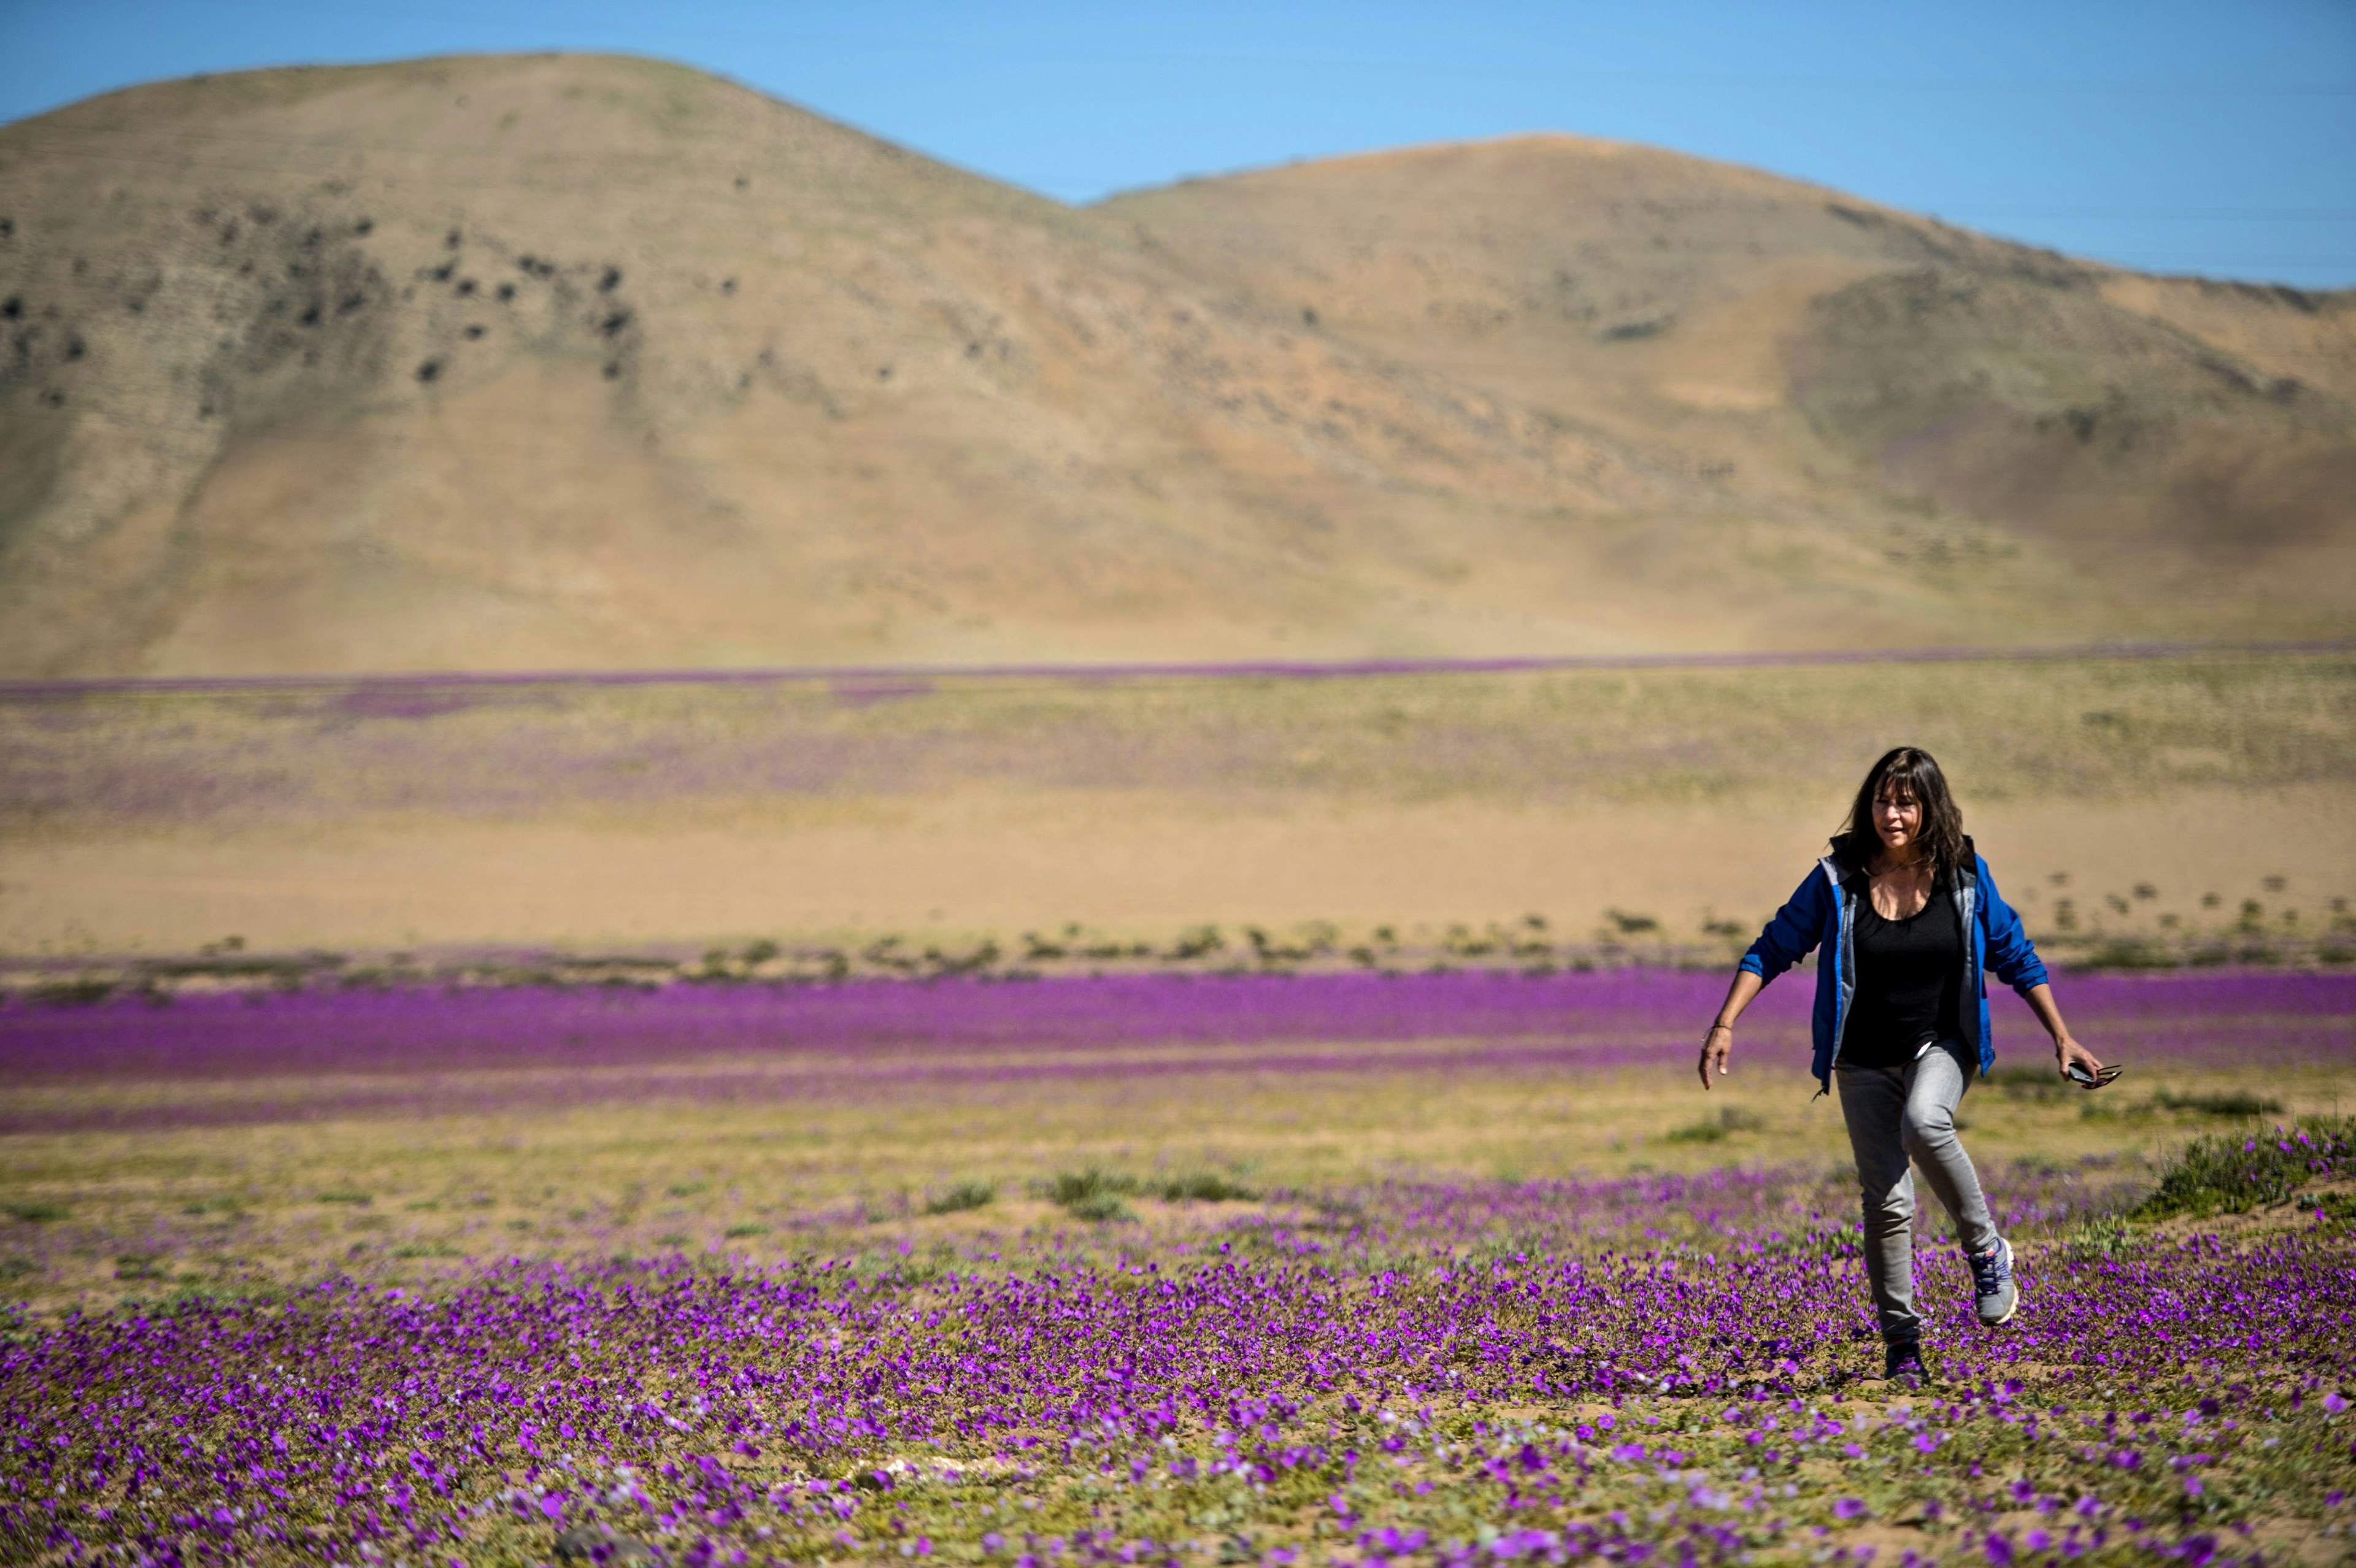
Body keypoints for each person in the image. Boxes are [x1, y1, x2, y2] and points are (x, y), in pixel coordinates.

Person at [1696, 746, 2104, 1382]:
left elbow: (2016, 955)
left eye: (1907, 802)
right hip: (1860, 1058)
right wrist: (1725, 1023)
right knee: (1886, 1204)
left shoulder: (1964, 876)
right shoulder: (1838, 879)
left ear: (1928, 808)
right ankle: (1903, 1347)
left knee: (1924, 1119)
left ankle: (1987, 1249)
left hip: (1941, 1042)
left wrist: (2062, 1037)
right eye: (1884, 800)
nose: (1893, 813)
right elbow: (1773, 947)